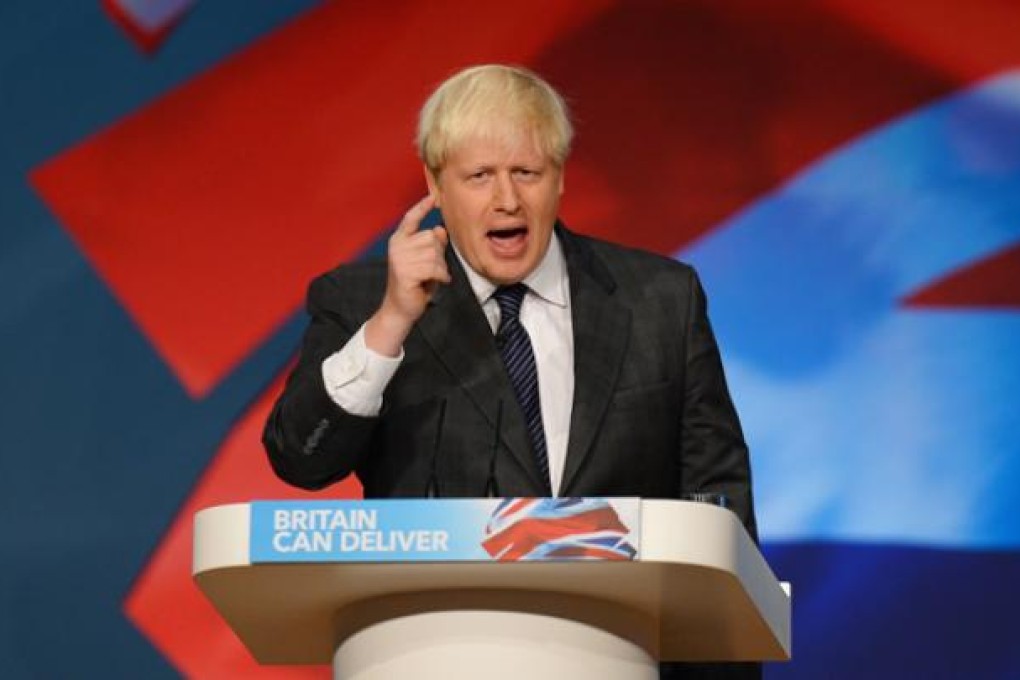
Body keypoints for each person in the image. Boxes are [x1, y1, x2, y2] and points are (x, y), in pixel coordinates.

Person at [263, 64, 758, 679]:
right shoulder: (363, 300)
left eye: (527, 172)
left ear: (560, 178)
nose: (507, 199)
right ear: (434, 185)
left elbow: (718, 509)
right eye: (479, 177)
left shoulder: (660, 299)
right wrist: (391, 322)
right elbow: (300, 458)